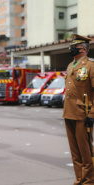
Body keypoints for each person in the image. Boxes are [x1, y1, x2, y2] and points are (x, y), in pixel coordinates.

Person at [64, 33, 94, 185]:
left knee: (85, 150)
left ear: (83, 48)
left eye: (74, 46)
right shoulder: (71, 65)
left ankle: (89, 181)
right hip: (68, 113)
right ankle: (79, 179)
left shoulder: (90, 66)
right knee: (75, 152)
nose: (71, 48)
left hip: (83, 114)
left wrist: (92, 114)